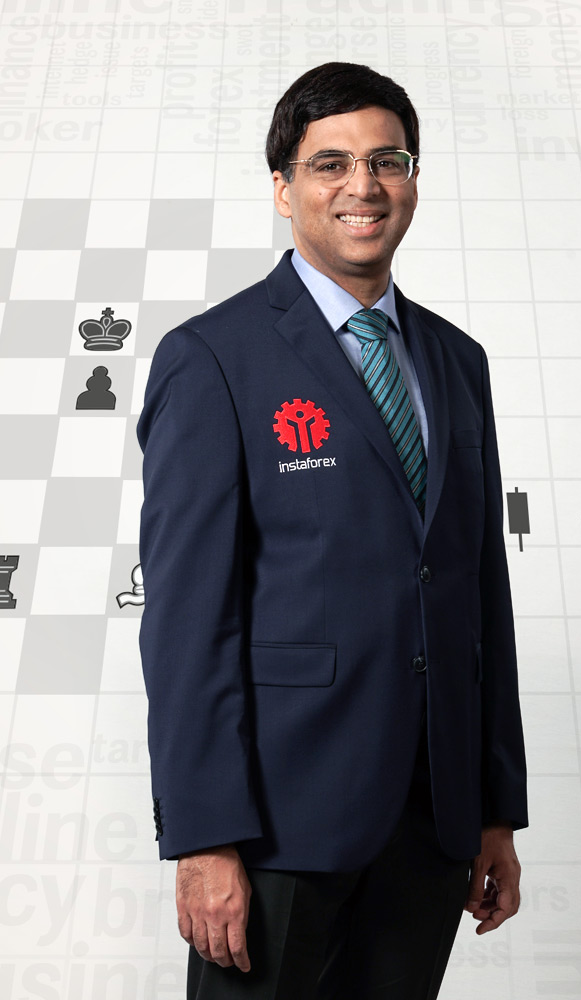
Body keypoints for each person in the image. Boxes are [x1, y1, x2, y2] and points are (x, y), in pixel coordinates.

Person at [136, 61, 529, 1000]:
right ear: (283, 189)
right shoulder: (212, 359)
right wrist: (202, 836)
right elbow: (187, 624)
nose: (365, 185)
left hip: (432, 819)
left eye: (388, 160)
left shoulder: (457, 360)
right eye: (330, 164)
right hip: (278, 822)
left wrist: (493, 809)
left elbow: (477, 590)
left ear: (413, 180)